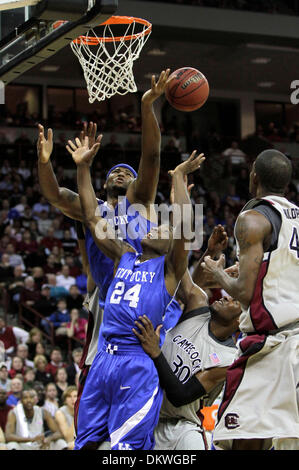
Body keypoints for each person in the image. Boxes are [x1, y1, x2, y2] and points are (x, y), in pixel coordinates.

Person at [72, 132, 204, 450]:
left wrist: (180, 177)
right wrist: (82, 168)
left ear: (169, 245)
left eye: (163, 228)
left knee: (127, 449)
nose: (156, 225)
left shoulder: (168, 273)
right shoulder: (122, 256)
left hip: (137, 363)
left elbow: (185, 225)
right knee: (85, 443)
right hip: (104, 360)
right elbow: (91, 217)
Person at [201, 149, 299, 451]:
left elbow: (242, 293)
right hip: (293, 336)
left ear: (253, 174)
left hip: (272, 345)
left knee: (242, 439)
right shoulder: (294, 216)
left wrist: (217, 273)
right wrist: (246, 269)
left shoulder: (252, 218)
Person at [132, 224, 240, 451]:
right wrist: (209, 253)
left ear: (240, 321)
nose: (227, 298)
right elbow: (184, 276)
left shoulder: (229, 358)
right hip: (145, 412)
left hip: (182, 429)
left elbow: (181, 395)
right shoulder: (199, 307)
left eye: (235, 301)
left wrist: (156, 352)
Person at [55, 385, 77, 450]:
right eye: (69, 396)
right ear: (65, 400)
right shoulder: (60, 413)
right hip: (62, 442)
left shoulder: (84, 410)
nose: (72, 399)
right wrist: (76, 415)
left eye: (75, 396)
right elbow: (68, 438)